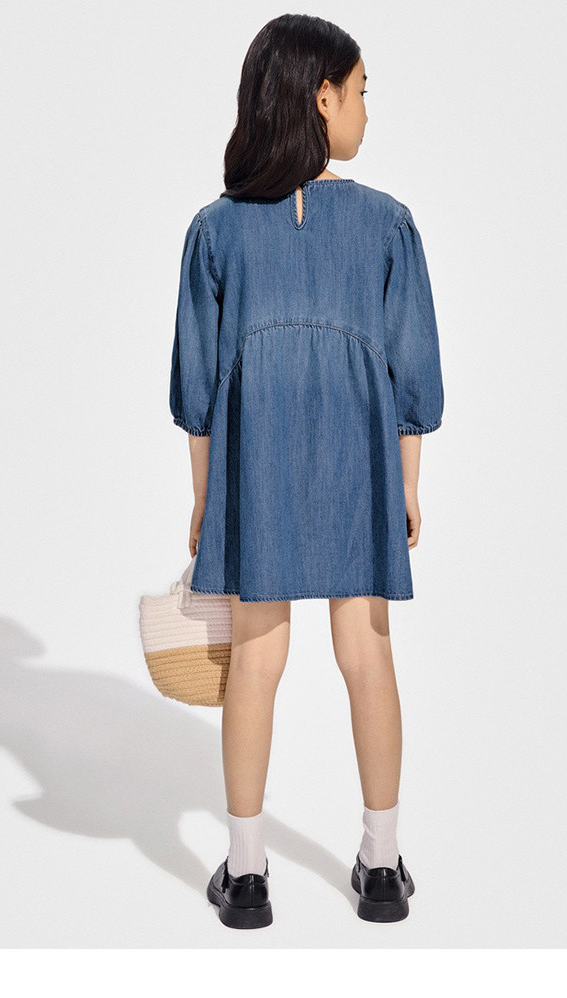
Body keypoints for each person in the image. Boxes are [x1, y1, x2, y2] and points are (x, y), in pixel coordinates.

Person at [170, 13, 444, 929]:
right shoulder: (387, 225)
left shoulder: (216, 230)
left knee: (255, 660)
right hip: (360, 459)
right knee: (367, 653)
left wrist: (205, 498)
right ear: (323, 98)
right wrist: (407, 484)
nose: (367, 107)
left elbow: (198, 386)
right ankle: (381, 863)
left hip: (255, 462)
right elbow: (412, 373)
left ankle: (247, 874)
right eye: (361, 90)